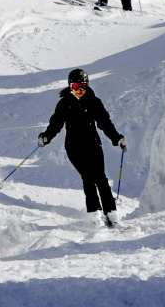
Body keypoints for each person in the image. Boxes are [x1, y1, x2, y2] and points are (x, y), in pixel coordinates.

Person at [37, 68, 127, 228]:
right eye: (76, 86)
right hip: (74, 147)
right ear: (70, 85)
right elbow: (56, 123)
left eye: (83, 87)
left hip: (93, 144)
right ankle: (95, 214)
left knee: (101, 178)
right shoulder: (64, 103)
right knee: (88, 178)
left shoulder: (93, 101)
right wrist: (46, 136)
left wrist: (117, 138)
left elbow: (104, 122)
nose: (79, 90)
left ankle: (111, 214)